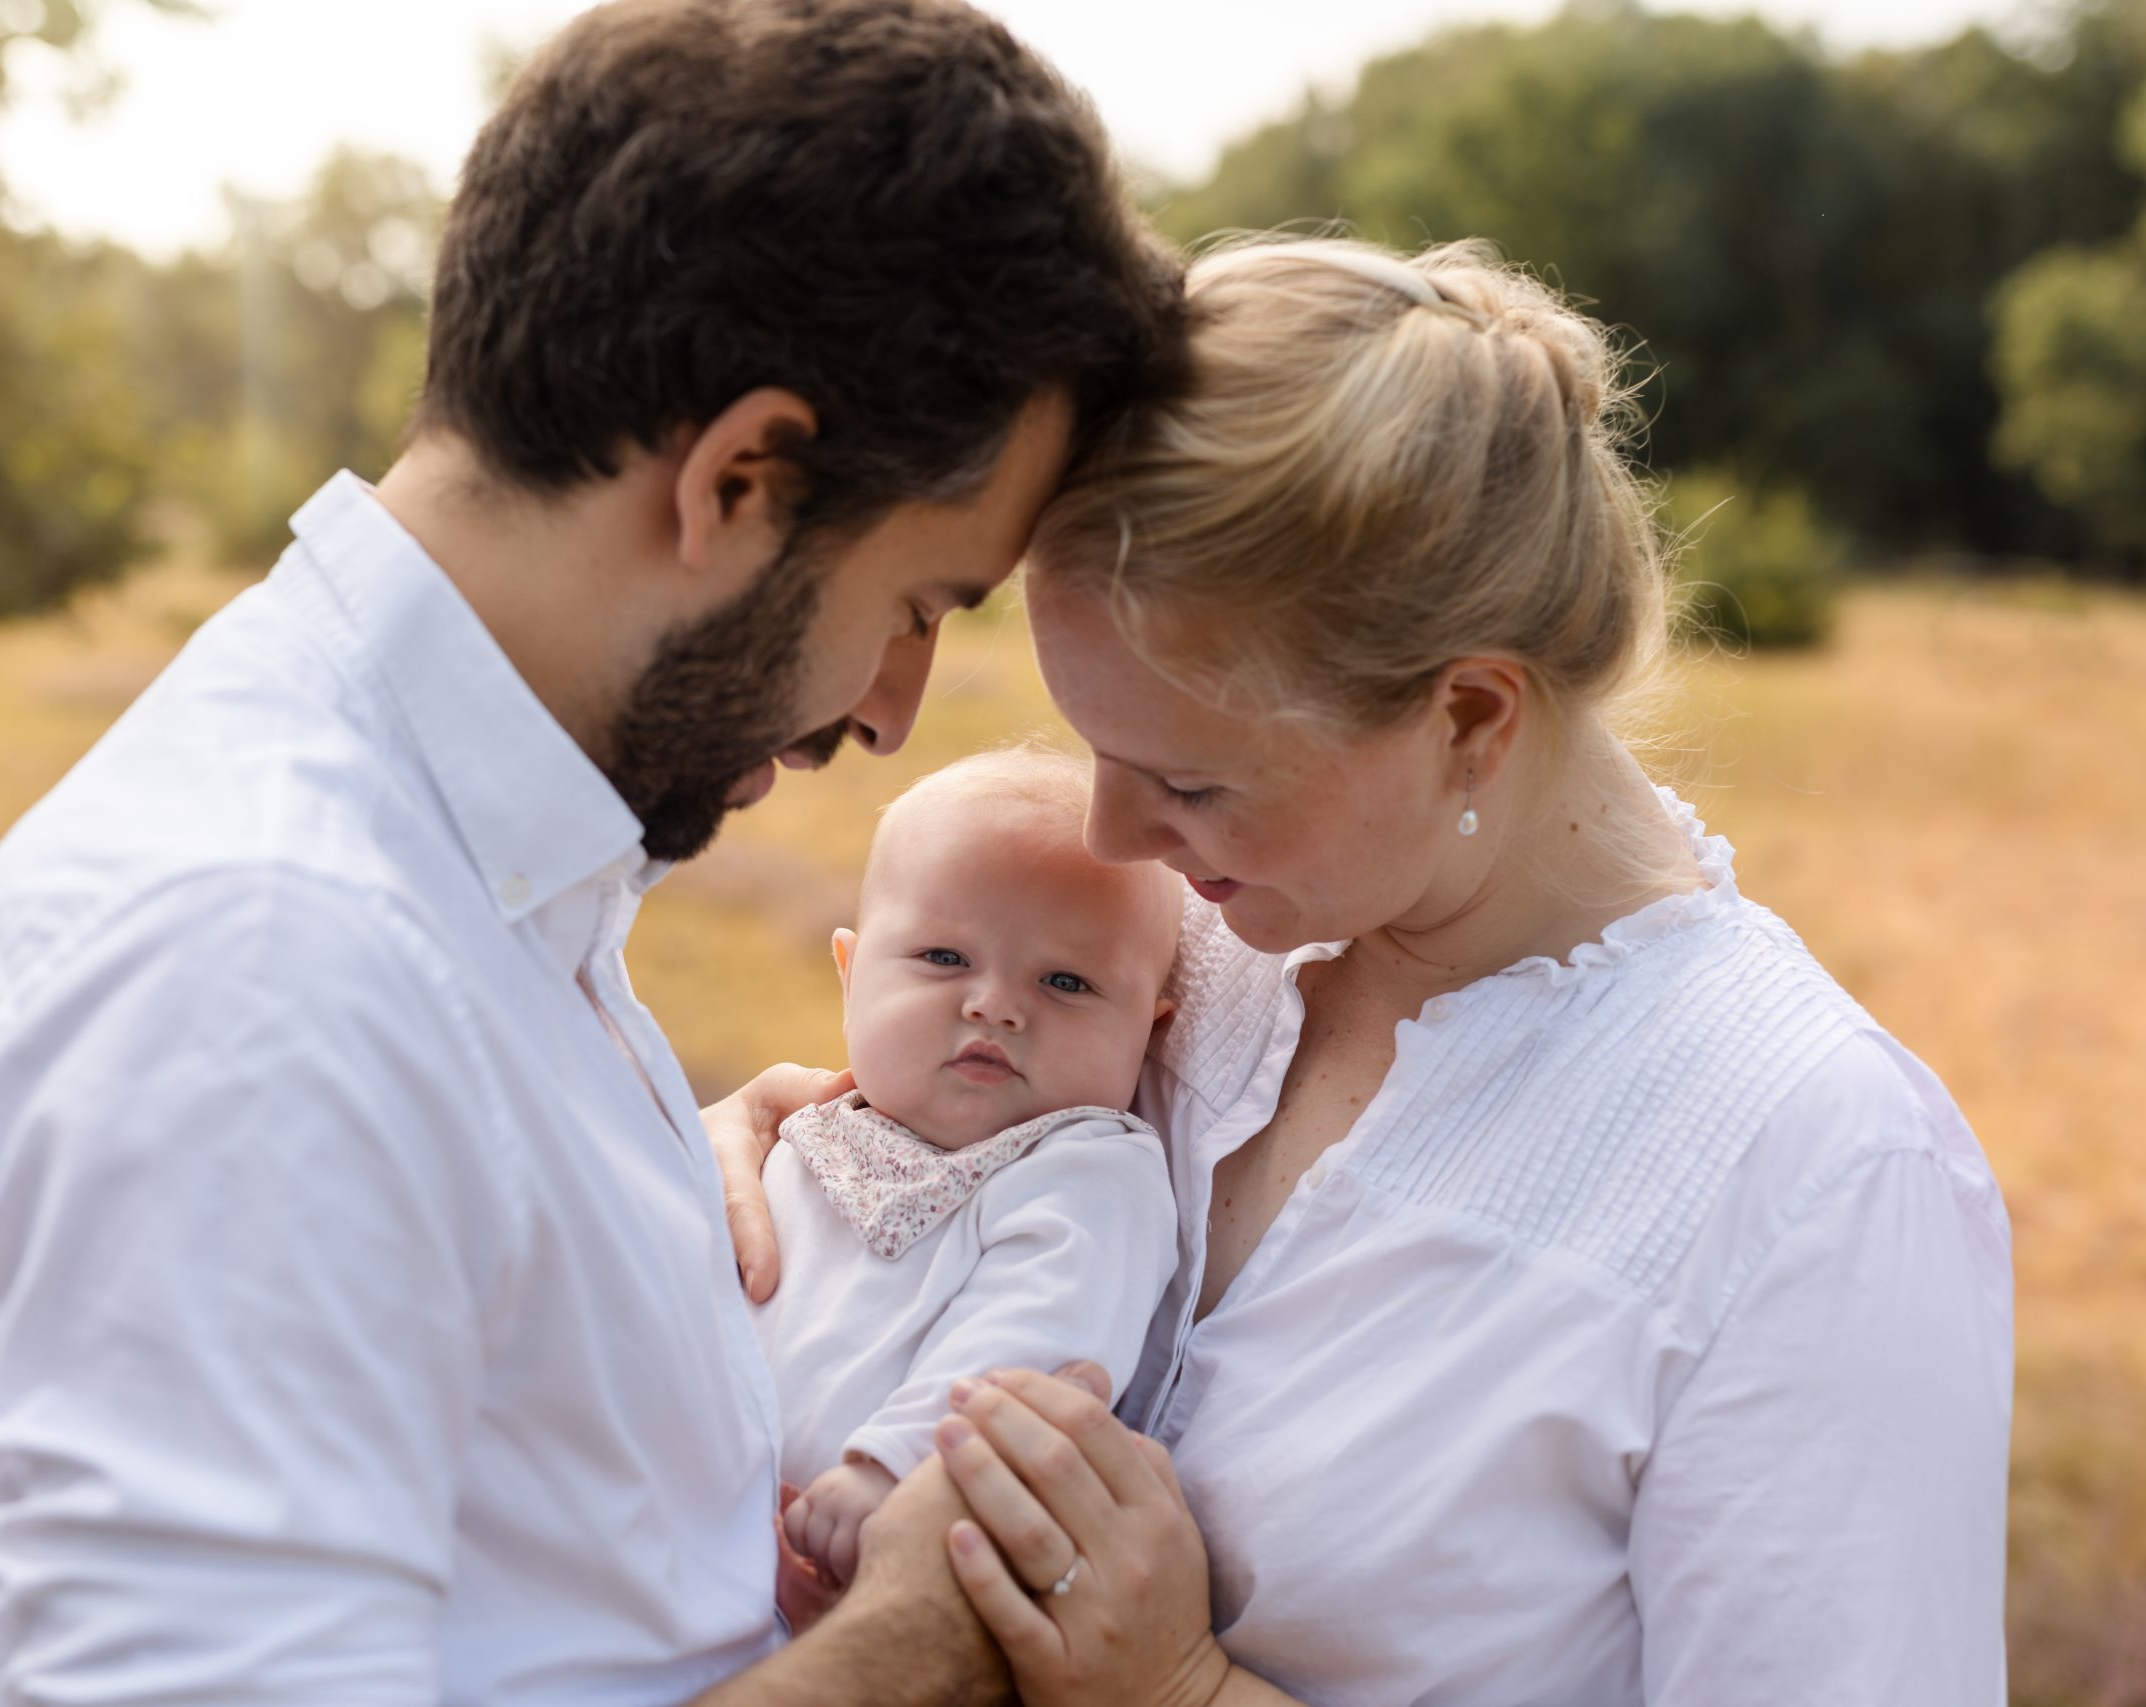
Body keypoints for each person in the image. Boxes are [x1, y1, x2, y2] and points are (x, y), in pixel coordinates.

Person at [0, 1, 1185, 1701]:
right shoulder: (261, 961)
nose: (889, 710)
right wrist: (916, 1641)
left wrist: (685, 1226)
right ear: (741, 480)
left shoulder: (452, 871)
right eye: (916, 604)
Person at [711, 238, 2013, 1705]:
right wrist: (771, 1161)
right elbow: (932, 1169)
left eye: (1188, 779)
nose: (1110, 831)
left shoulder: (1814, 1177)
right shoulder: (1171, 940)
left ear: (1467, 714)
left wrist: (1185, 1686)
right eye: (1097, 749)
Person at [756, 746, 1181, 1589]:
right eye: (944, 959)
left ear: (1150, 1029)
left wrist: (898, 1466)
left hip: (882, 1546)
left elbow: (1037, 1331)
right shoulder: (804, 1135)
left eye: (1066, 980)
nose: (994, 1004)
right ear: (850, 975)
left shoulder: (1089, 1167)